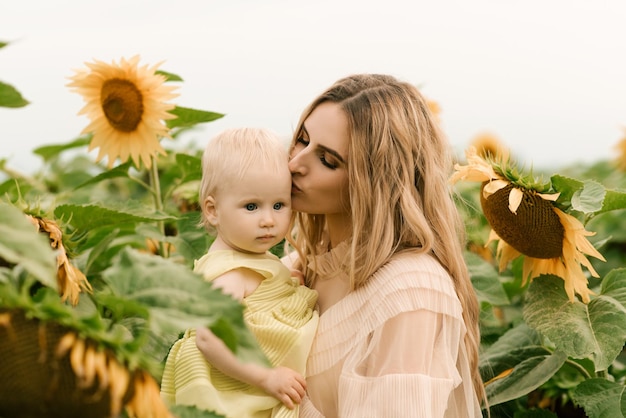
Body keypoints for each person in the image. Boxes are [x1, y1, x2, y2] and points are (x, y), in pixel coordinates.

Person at [284, 74, 486, 417]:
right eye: (301, 140)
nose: (295, 164)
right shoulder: (299, 265)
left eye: (328, 160)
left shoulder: (410, 290)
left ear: (375, 179)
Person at [160, 128, 319, 418]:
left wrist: (285, 287)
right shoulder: (228, 273)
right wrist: (266, 377)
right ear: (213, 211)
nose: (268, 220)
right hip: (234, 399)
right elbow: (210, 339)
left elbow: (259, 294)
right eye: (251, 206)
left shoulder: (250, 256)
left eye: (279, 205)